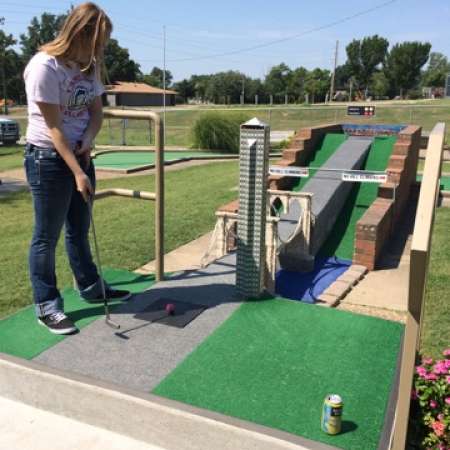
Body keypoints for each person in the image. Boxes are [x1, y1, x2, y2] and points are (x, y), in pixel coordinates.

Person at [23, 2, 130, 335]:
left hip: (79, 155)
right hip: (48, 160)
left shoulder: (88, 67)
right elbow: (54, 129)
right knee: (46, 237)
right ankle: (47, 306)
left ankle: (90, 287)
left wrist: (88, 137)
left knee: (79, 230)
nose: (101, 49)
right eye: (99, 41)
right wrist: (78, 171)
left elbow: (95, 112)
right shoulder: (45, 67)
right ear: (82, 34)